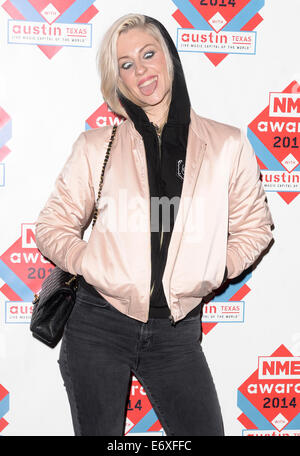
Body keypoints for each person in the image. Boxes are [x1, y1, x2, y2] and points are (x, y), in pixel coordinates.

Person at [35, 14, 274, 436]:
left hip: (177, 332)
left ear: (170, 57)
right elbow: (53, 225)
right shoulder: (96, 146)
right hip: (97, 324)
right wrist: (91, 261)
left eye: (149, 54)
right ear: (118, 80)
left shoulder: (227, 144)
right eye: (126, 64)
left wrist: (215, 268)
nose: (141, 69)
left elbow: (255, 228)